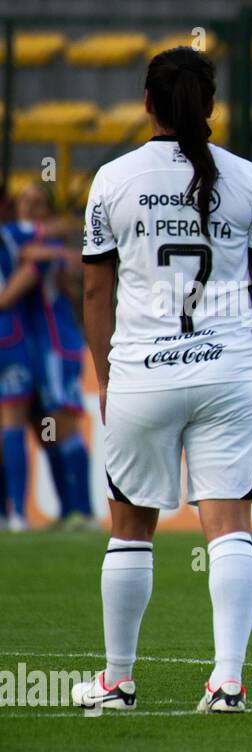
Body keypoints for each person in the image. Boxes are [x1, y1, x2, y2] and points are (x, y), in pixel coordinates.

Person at [71, 47, 252, 713]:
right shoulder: (249, 179)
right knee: (229, 525)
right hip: (228, 369)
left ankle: (117, 680)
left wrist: (108, 374)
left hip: (143, 370)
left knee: (129, 527)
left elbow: (93, 293)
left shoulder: (112, 179)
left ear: (146, 101)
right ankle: (227, 680)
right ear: (213, 106)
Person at [6, 183, 95, 528]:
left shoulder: (42, 250)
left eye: (37, 203)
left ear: (46, 211)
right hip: (40, 348)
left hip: (57, 345)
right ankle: (67, 509)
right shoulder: (32, 246)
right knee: (49, 431)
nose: (29, 207)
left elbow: (34, 262)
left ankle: (84, 511)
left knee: (64, 424)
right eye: (25, 201)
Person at [0, 214, 45, 530]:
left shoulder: (11, 234)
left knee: (11, 423)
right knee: (12, 421)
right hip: (8, 335)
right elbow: (47, 236)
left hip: (9, 335)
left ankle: (10, 513)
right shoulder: (10, 234)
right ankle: (17, 514)